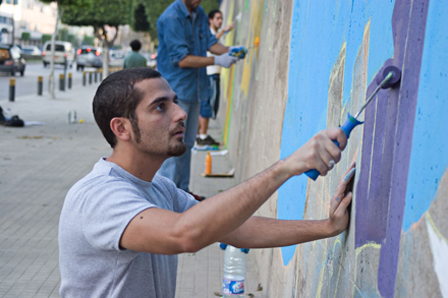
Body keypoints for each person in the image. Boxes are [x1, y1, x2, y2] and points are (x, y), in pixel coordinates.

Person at [58, 67, 356, 298]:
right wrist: (285, 168)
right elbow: (183, 235)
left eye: (174, 101)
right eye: (160, 107)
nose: (181, 113)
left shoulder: (159, 188)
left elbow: (237, 228)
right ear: (121, 128)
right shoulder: (98, 196)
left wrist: (326, 227)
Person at [156, 0, 245, 200]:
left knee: (186, 144)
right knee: (172, 146)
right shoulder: (172, 18)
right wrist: (217, 60)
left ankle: (182, 194)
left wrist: (229, 50)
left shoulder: (200, 13)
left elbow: (209, 44)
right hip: (176, 92)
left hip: (195, 89)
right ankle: (165, 200)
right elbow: (182, 59)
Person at [197, 9, 235, 146]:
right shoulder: (210, 32)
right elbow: (213, 43)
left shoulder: (210, 32)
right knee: (207, 105)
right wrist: (226, 30)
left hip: (212, 72)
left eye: (221, 18)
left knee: (208, 105)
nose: (220, 21)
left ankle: (200, 135)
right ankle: (202, 136)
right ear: (210, 20)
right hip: (210, 72)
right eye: (218, 18)